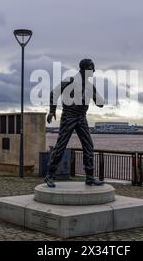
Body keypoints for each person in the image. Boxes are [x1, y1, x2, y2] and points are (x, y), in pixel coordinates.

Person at [45, 59, 104, 188]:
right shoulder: (70, 81)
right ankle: (49, 175)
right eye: (91, 69)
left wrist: (94, 94)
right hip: (69, 116)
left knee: (89, 146)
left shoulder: (90, 86)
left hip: (82, 117)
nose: (93, 71)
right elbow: (54, 93)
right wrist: (52, 111)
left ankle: (89, 177)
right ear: (83, 69)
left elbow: (100, 104)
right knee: (61, 146)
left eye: (93, 69)